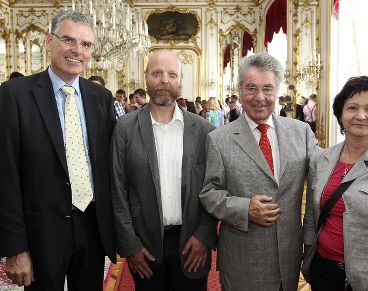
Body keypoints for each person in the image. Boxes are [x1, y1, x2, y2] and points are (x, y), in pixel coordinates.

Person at [0, 10, 116, 289]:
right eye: (68, 40)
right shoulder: (14, 95)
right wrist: (15, 247)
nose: (77, 51)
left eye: (86, 44)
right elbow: (6, 176)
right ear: (49, 41)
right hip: (41, 234)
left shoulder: (101, 97)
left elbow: (109, 167)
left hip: (92, 229)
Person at [199, 53, 318, 291]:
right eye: (251, 88)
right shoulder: (218, 139)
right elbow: (209, 193)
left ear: (277, 92)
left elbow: (326, 168)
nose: (260, 97)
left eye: (268, 89)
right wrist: (244, 209)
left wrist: (364, 151)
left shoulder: (301, 132)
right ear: (240, 90)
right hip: (243, 259)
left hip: (289, 256)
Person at [111, 49, 217, 291]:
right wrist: (130, 245)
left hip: (192, 245)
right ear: (146, 77)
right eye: (157, 73)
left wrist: (204, 235)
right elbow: (117, 189)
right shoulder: (125, 128)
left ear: (181, 81)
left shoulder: (205, 131)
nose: (164, 80)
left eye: (172, 74)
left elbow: (215, 188)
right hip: (144, 246)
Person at [303, 76, 368, 291]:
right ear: (340, 114)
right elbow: (312, 215)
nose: (360, 116)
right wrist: (308, 257)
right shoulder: (322, 159)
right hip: (323, 270)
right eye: (352, 108)